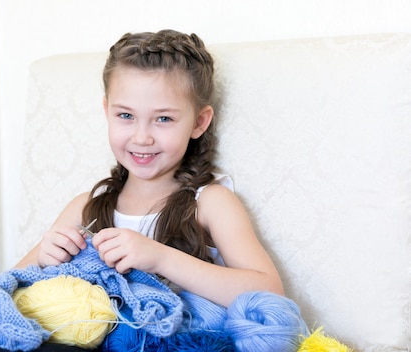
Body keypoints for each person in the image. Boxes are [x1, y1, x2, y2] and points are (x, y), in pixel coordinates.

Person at [15, 29, 284, 308]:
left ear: (198, 123)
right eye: (126, 115)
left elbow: (271, 293)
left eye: (164, 118)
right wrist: (41, 263)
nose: (142, 137)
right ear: (107, 111)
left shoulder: (209, 203)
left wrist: (160, 257)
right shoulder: (85, 208)